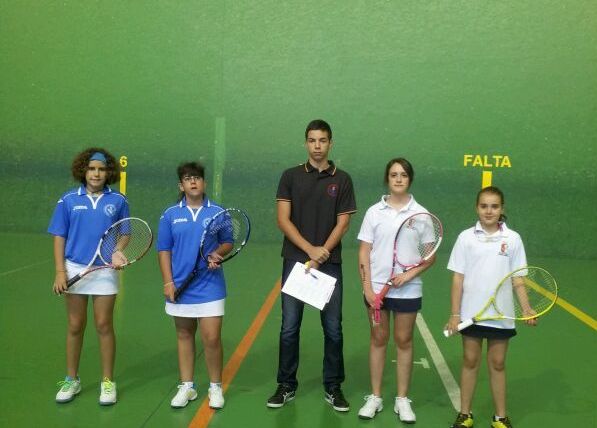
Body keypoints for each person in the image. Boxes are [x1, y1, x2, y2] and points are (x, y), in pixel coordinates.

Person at [266, 119, 357, 412]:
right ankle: (286, 385)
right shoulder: (290, 176)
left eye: (323, 140)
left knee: (333, 329)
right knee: (289, 328)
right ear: (306, 143)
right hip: (296, 263)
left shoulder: (342, 179)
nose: (317, 146)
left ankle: (333, 386)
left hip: (329, 264)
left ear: (330, 143)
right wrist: (310, 251)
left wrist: (322, 254)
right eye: (312, 140)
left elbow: (343, 223)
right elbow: (283, 220)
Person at [444, 186, 534, 428]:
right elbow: (458, 278)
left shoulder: (513, 239)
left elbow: (518, 279)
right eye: (484, 206)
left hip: (501, 315)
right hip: (470, 313)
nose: (489, 211)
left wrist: (526, 308)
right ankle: (465, 414)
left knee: (498, 363)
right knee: (470, 360)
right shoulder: (466, 237)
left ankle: (500, 417)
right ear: (477, 208)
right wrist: (455, 314)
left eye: (494, 206)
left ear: (501, 208)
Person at [356, 158, 435, 423]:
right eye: (393, 174)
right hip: (376, 290)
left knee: (404, 340)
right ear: (387, 179)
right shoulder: (373, 212)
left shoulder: (421, 215)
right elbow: (364, 251)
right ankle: (375, 397)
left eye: (403, 175)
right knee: (378, 339)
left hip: (408, 290)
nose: (398, 179)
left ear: (410, 179)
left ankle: (402, 399)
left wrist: (407, 275)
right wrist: (367, 288)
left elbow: (429, 257)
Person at [49, 148, 128, 405]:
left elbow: (125, 232)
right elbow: (59, 236)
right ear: (83, 170)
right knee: (75, 325)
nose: (96, 173)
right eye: (92, 168)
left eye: (101, 169)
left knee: (104, 325)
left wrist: (117, 251)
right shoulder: (68, 200)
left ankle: (108, 382)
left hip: (104, 270)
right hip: (74, 268)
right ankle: (71, 379)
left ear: (108, 172)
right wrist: (60, 271)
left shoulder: (118, 200)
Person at [157, 162, 231, 410]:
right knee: (184, 334)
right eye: (188, 178)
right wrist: (168, 281)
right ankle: (187, 386)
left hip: (210, 285)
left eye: (197, 178)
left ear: (204, 183)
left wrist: (218, 253)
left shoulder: (218, 213)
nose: (193, 182)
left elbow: (227, 242)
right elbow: (164, 250)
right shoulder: (170, 215)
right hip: (180, 286)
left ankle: (215, 387)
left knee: (212, 337)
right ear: (181, 185)